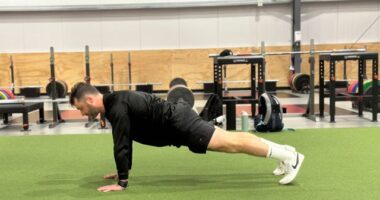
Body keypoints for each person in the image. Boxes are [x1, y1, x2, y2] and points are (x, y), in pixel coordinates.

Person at [69, 82, 305, 192]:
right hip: (178, 119)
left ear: (90, 99)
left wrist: (122, 182)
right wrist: (123, 170)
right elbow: (126, 137)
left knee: (232, 144)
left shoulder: (116, 107)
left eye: (80, 108)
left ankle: (290, 157)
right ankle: (285, 153)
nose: (82, 113)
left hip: (180, 124)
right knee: (232, 141)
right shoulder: (114, 102)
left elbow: (121, 141)